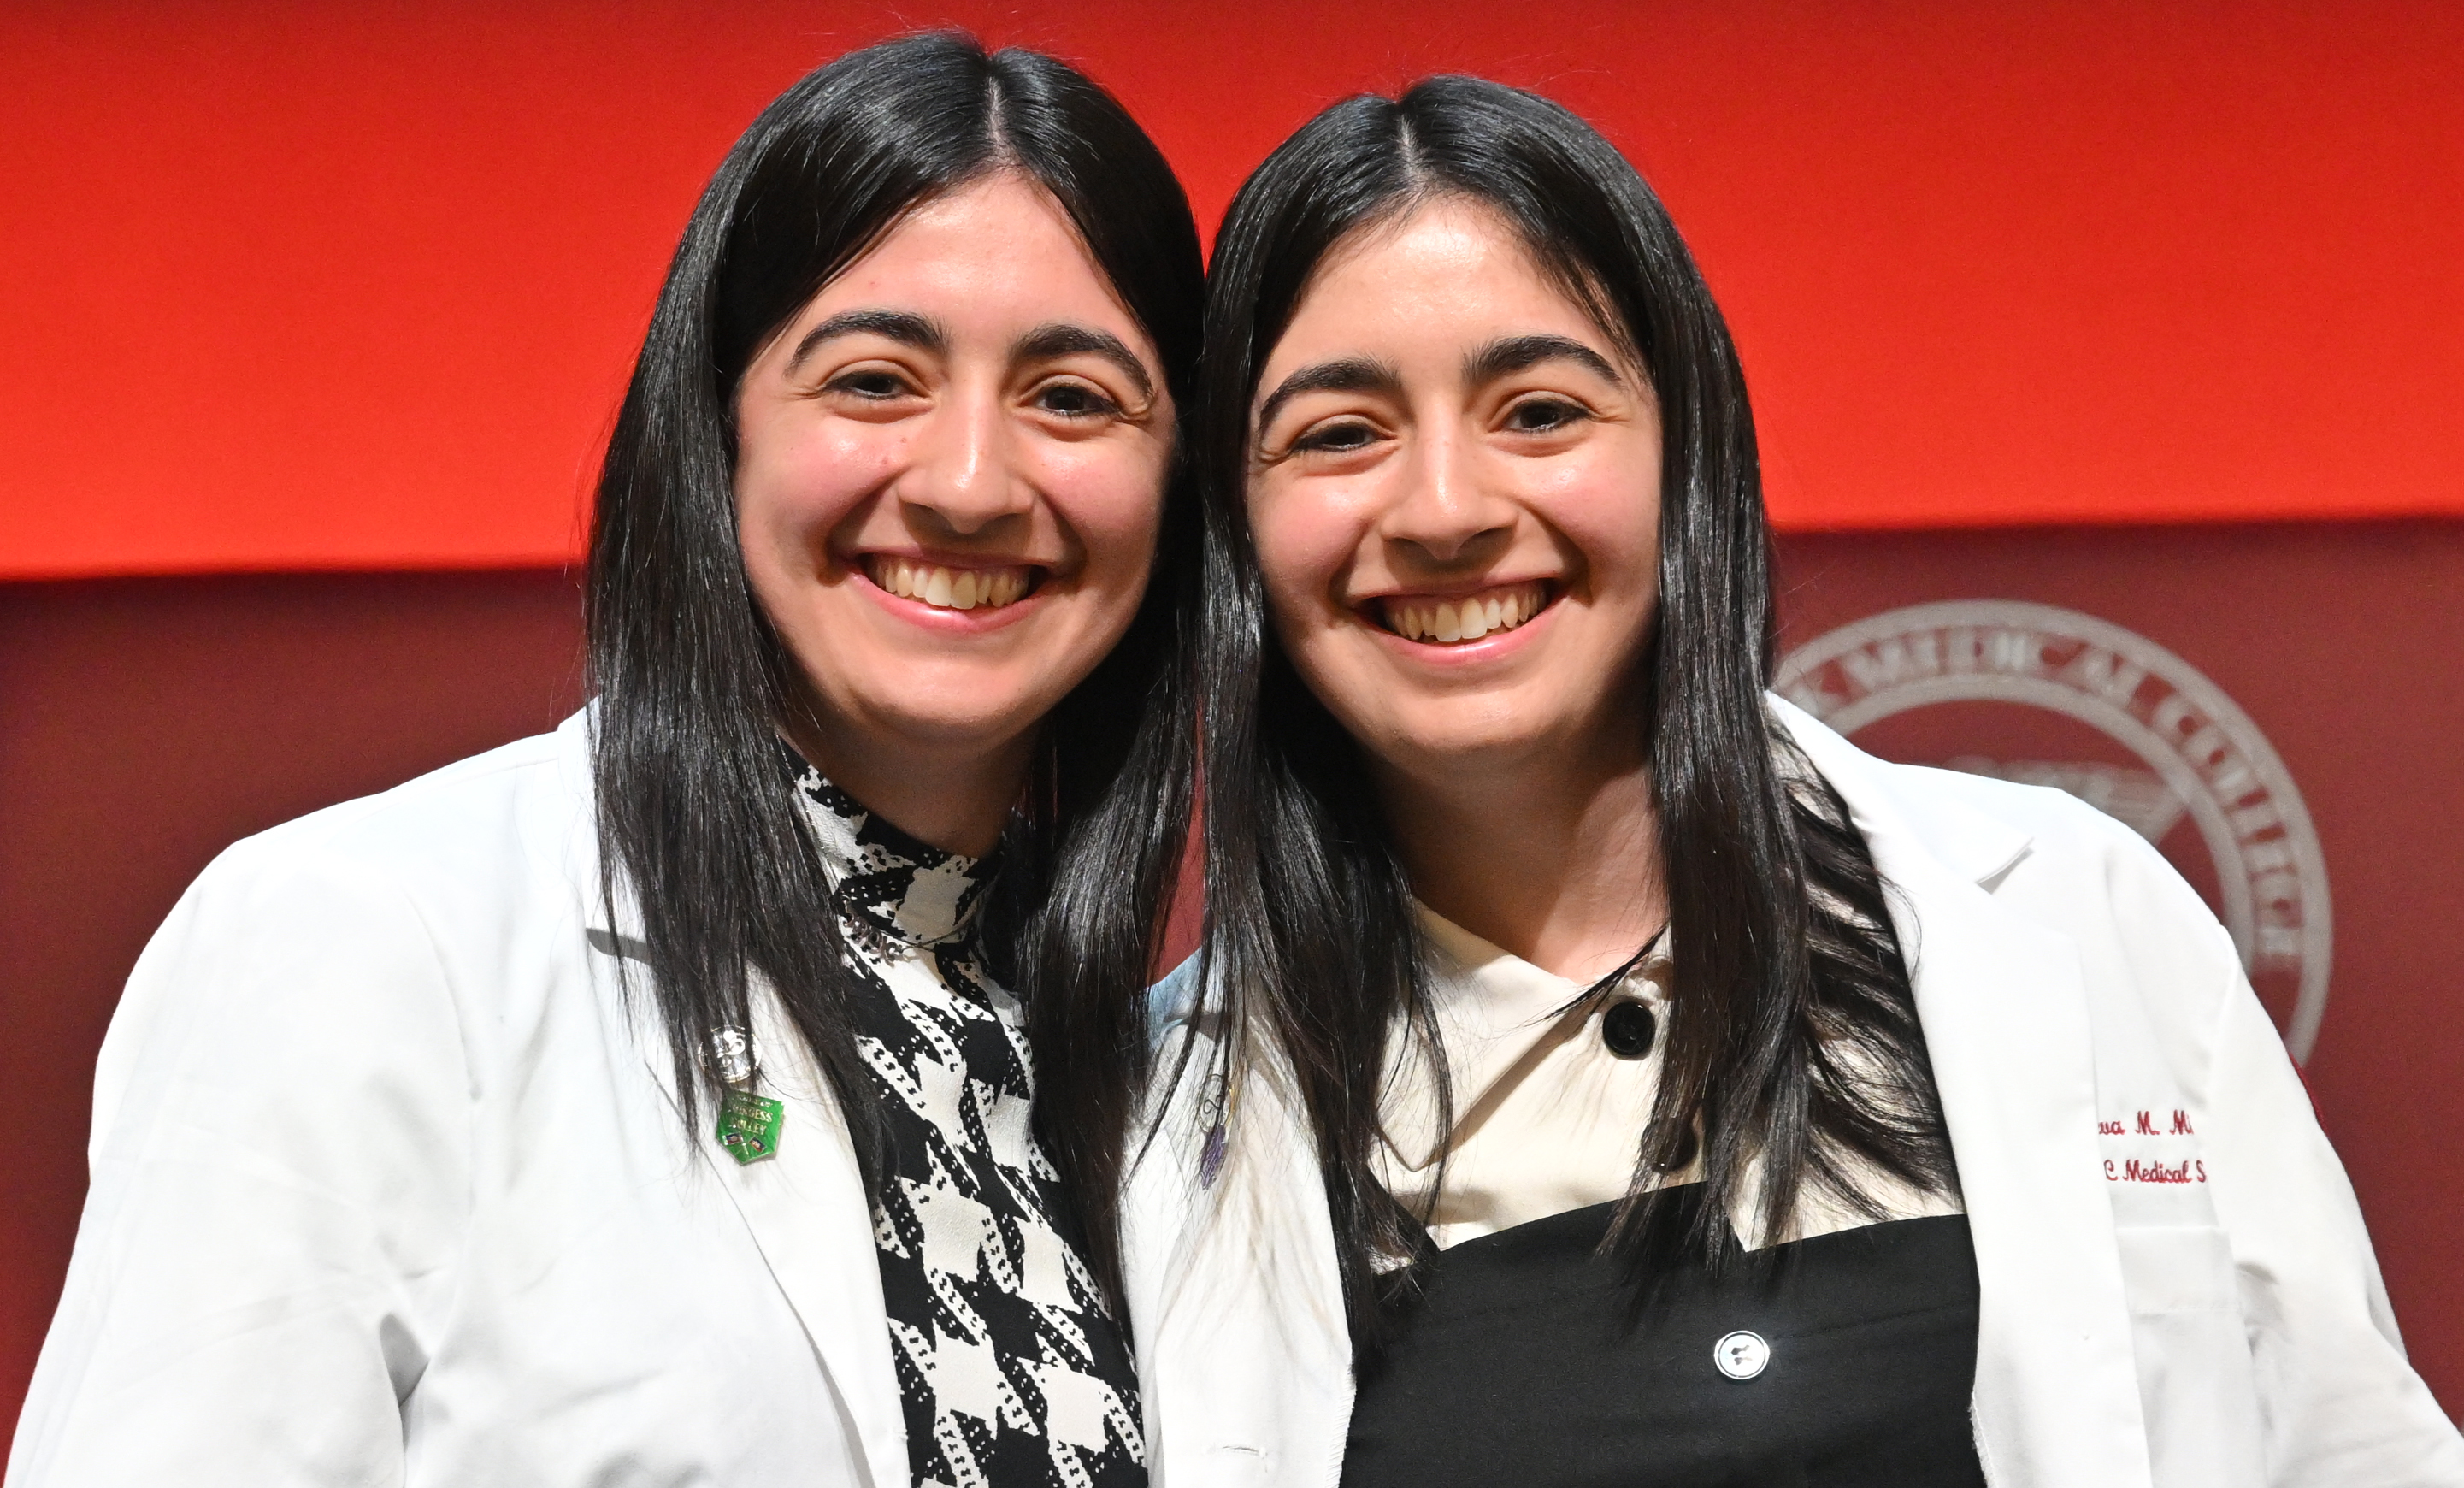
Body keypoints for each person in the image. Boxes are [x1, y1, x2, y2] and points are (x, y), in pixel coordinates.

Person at [1082, 77, 2464, 1486]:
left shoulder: (2071, 913)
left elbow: (2354, 1456)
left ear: (1686, 455)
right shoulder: (1144, 1141)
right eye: (1338, 432)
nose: (1444, 506)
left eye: (1540, 410)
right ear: (1233, 525)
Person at [8, 32, 1199, 1488]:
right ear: (715, 433)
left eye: (1073, 397)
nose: (967, 479)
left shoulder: (1146, 1076)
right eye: (874, 380)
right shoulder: (368, 940)